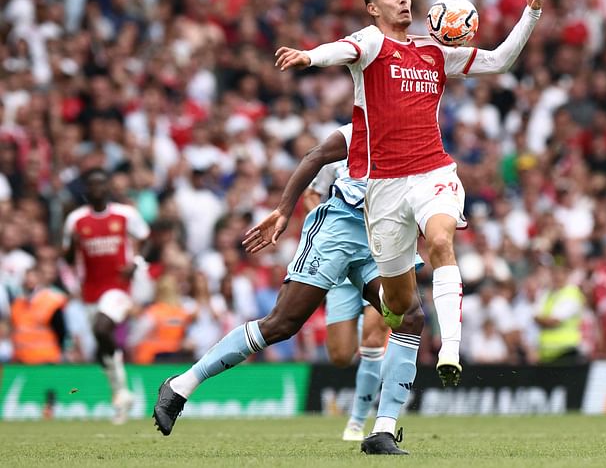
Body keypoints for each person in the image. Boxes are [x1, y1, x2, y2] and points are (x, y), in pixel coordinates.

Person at [274, 0, 547, 388]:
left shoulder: (433, 52)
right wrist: (309, 56)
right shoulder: (371, 42)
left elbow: (499, 60)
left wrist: (530, 13)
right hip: (384, 187)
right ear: (372, 8)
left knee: (441, 240)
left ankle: (450, 352)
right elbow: (341, 49)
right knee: (397, 304)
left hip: (433, 172)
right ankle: (374, 301)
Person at [154, 126, 424, 455]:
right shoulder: (363, 126)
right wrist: (283, 210)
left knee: (409, 317)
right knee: (282, 323)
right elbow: (316, 156)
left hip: (382, 235)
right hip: (340, 228)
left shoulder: (418, 132)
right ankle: (181, 385)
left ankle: (382, 430)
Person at [304, 158, 390, 442]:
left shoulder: (391, 145)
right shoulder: (339, 147)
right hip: (341, 261)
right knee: (340, 356)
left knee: (373, 338)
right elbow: (312, 194)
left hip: (379, 257)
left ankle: (356, 422)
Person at [63, 167, 150, 424]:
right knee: (101, 347)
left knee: (103, 328)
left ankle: (120, 392)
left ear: (108, 188)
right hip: (90, 292)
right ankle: (120, 393)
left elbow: (145, 237)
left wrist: (136, 261)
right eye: (92, 185)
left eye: (102, 184)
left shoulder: (125, 214)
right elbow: (67, 256)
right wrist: (71, 246)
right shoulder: (76, 220)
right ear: (86, 191)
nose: (97, 189)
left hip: (118, 288)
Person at [533, 265, 586, 364]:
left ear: (566, 275)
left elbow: (554, 321)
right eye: (554, 273)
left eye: (560, 274)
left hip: (566, 351)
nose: (557, 277)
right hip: (546, 353)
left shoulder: (572, 293)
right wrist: (543, 320)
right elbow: (535, 316)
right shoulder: (546, 293)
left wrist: (542, 320)